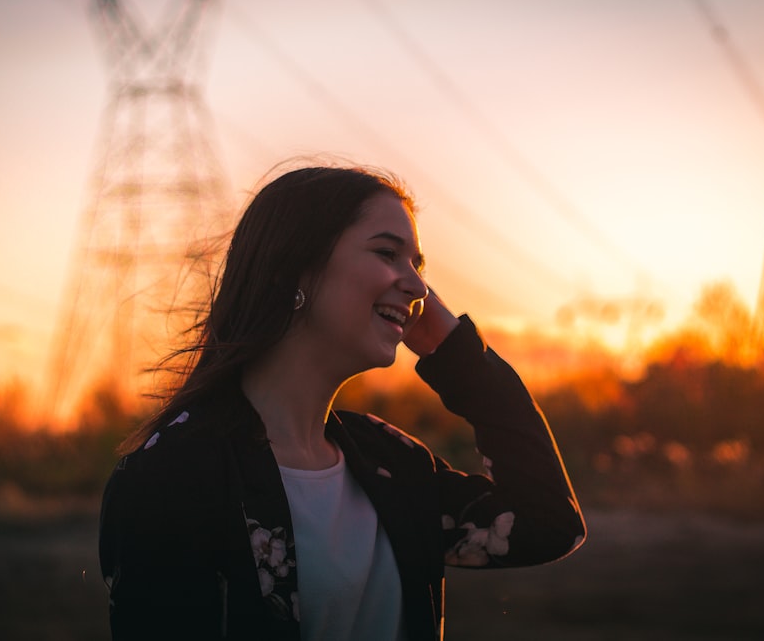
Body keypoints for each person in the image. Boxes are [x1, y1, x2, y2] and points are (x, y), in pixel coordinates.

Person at [98, 163, 586, 640]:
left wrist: (458, 356)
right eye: (387, 253)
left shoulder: (392, 465)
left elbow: (548, 522)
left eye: (417, 266)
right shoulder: (175, 471)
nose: (418, 287)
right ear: (294, 267)